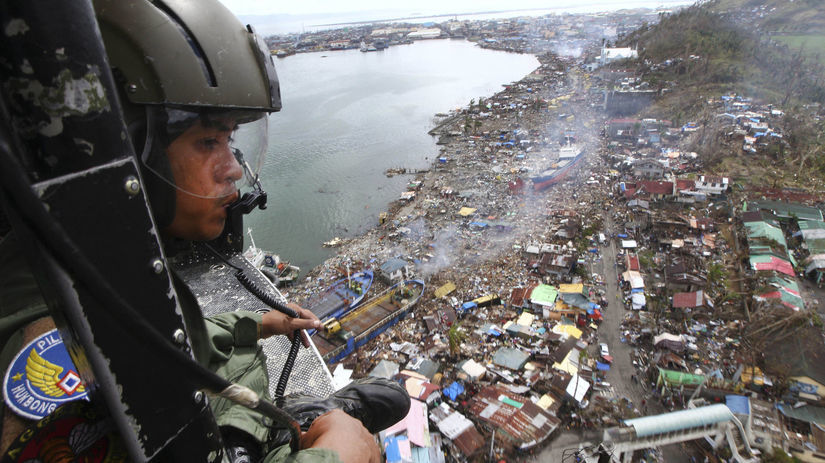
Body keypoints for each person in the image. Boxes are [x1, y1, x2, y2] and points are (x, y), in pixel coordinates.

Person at [0, 0, 409, 461]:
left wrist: (256, 324)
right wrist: (336, 457)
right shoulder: (50, 334)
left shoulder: (96, 273)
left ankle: (271, 423)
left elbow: (174, 344)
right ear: (130, 152)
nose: (234, 169)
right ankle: (285, 429)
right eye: (209, 141)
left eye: (230, 141)